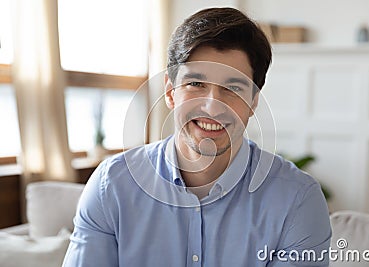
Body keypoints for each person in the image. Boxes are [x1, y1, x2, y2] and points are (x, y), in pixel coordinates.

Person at [63, 7, 331, 266]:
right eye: (196, 84)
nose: (213, 106)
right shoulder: (111, 186)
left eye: (233, 88)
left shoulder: (297, 199)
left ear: (253, 102)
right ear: (170, 92)